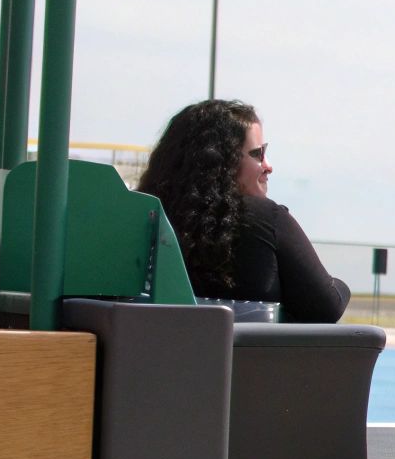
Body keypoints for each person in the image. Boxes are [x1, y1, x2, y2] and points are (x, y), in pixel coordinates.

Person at [137, 99, 350, 323]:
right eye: (258, 154)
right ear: (222, 161)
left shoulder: (144, 221)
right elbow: (327, 306)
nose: (268, 166)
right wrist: (340, 285)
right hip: (245, 347)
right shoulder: (266, 218)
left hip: (153, 345)